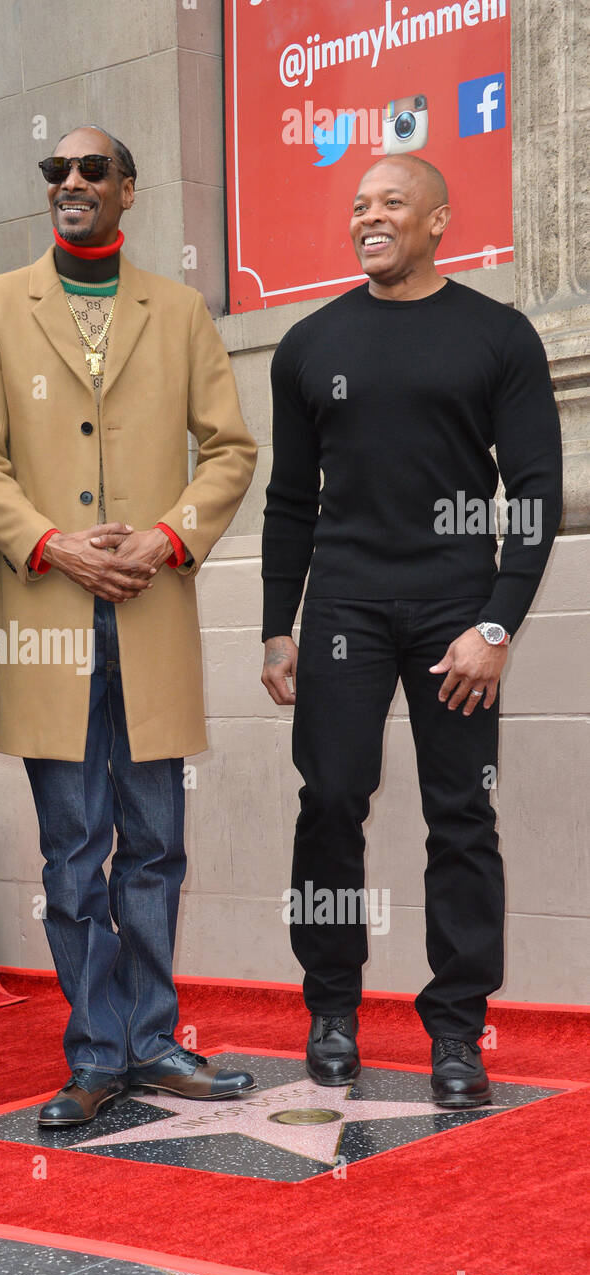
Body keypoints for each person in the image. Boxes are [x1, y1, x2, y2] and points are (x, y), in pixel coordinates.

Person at [0, 127, 258, 1128]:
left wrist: (167, 537)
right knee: (73, 850)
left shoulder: (176, 312)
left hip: (150, 616)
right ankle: (94, 1051)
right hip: (46, 618)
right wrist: (52, 545)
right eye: (56, 171)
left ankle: (154, 1040)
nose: (69, 183)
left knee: (156, 842)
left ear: (128, 189)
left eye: (91, 171)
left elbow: (228, 448)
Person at [260, 155, 563, 1107]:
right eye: (358, 206)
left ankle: (457, 1034)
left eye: (392, 203)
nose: (370, 218)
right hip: (344, 604)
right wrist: (278, 626)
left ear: (438, 220)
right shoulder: (308, 343)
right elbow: (287, 501)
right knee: (332, 801)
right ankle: (333, 1008)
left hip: (454, 610)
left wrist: (496, 624)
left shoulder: (497, 335)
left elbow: (536, 494)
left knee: (460, 817)